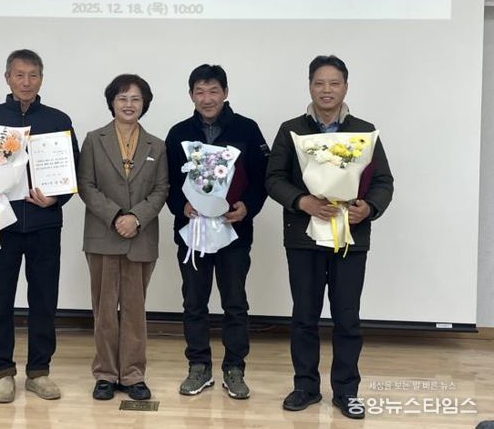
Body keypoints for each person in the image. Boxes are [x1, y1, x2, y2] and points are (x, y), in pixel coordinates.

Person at [265, 55, 393, 419]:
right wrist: (301, 201)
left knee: (347, 317)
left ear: (345, 87)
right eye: (319, 83)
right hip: (304, 238)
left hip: (350, 238)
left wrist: (369, 207)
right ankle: (305, 386)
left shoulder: (364, 131)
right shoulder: (291, 130)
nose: (326, 90)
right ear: (310, 86)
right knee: (304, 316)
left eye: (334, 83)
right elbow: (273, 178)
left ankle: (346, 390)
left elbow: (383, 181)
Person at [0, 49, 79, 403]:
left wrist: (56, 199)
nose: (26, 82)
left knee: (44, 301)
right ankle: (3, 372)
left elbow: (73, 169)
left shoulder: (58, 120)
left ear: (42, 78)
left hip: (44, 224)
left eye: (33, 75)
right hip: (0, 224)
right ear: (7, 78)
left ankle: (39, 372)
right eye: (19, 75)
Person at [165, 64, 269, 400]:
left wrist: (247, 207)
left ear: (225, 93)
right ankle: (198, 366)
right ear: (191, 95)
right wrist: (181, 205)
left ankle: (235, 368)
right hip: (192, 232)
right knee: (194, 302)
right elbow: (167, 182)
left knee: (235, 303)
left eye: (213, 91)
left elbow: (263, 178)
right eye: (200, 91)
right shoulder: (178, 133)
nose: (207, 98)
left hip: (233, 232)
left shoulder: (247, 129)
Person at [77, 74, 169, 401]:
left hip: (140, 238)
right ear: (112, 103)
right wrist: (116, 216)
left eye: (135, 99)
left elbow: (162, 189)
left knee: (134, 310)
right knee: (104, 310)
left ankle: (132, 374)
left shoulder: (157, 145)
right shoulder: (94, 139)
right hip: (103, 235)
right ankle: (105, 374)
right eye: (122, 98)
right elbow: (85, 185)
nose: (129, 105)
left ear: (144, 104)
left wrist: (137, 218)